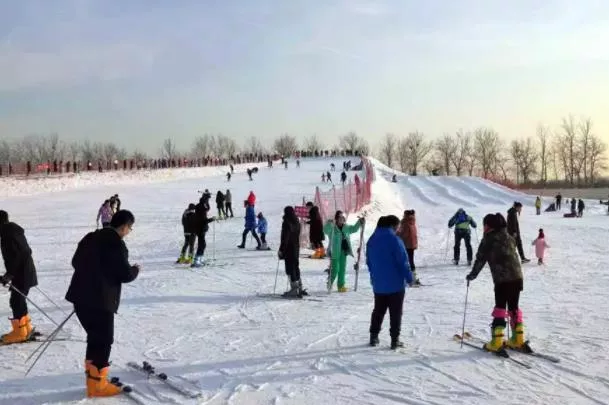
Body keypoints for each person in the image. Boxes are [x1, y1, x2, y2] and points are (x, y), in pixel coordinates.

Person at [65, 210, 139, 397]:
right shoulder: (116, 244)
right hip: (101, 301)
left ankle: (94, 381)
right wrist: (135, 269)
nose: (129, 231)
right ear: (123, 227)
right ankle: (97, 386)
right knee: (104, 340)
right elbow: (125, 274)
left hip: (80, 298)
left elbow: (75, 262)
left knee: (95, 338)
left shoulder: (90, 237)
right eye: (130, 228)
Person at [466, 213, 527, 353]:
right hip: (517, 278)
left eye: (485, 225)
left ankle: (496, 342)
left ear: (490, 226)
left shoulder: (489, 239)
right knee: (514, 308)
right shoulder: (509, 236)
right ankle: (518, 339)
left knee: (500, 308)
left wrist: (472, 275)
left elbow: (480, 259)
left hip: (502, 280)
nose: (484, 227)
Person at [366, 215, 413, 350]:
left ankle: (373, 336)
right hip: (395, 284)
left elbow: (369, 262)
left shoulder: (372, 240)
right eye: (398, 226)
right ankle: (394, 340)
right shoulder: (395, 240)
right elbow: (403, 262)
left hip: (378, 283)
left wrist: (374, 276)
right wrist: (409, 278)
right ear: (392, 226)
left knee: (378, 310)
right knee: (395, 312)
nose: (399, 229)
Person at [0, 210, 38, 344]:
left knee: (16, 301)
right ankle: (25, 328)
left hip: (22, 272)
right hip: (25, 271)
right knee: (19, 299)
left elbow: (15, 256)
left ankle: (20, 332)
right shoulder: (13, 231)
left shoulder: (7, 235)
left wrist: (9, 275)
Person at [324, 211, 364, 292]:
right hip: (334, 251)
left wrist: (359, 222)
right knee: (335, 269)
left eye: (343, 218)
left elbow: (354, 229)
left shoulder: (346, 227)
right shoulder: (332, 228)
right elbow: (325, 231)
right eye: (340, 218)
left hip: (344, 251)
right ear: (336, 219)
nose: (342, 219)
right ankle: (330, 283)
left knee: (342, 269)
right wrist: (329, 223)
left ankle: (341, 286)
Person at [278, 206, 306, 297]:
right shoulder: (297, 221)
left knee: (290, 268)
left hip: (289, 248)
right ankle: (299, 287)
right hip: (296, 247)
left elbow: (285, 238)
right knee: (296, 266)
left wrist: (281, 250)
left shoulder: (287, 222)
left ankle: (294, 289)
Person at [397, 210, 420, 285]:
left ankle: (408, 278)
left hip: (405, 244)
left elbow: (404, 234)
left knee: (405, 261)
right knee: (410, 260)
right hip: (411, 245)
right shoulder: (412, 222)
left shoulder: (406, 222)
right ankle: (413, 277)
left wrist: (396, 234)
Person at [192, 194, 215, 267]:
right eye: (206, 202)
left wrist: (207, 200)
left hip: (200, 228)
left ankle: (200, 259)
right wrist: (212, 219)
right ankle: (196, 261)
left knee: (203, 244)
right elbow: (203, 221)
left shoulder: (200, 207)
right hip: (200, 229)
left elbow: (207, 209)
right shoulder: (201, 210)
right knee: (201, 245)